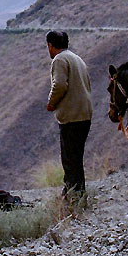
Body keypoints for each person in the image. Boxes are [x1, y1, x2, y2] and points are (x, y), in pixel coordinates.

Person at [46, 31, 93, 199]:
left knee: (69, 158)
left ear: (50, 45)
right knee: (76, 156)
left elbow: (59, 84)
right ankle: (76, 192)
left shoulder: (59, 60)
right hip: (84, 114)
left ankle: (74, 195)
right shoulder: (76, 58)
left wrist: (51, 103)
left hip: (71, 116)